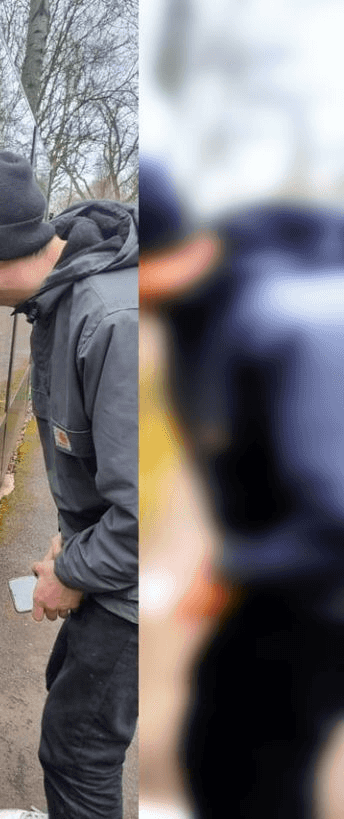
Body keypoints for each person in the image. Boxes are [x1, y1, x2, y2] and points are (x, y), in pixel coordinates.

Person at [0, 150, 139, 819]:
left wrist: (70, 570)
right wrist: (75, 535)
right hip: (119, 562)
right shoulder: (61, 299)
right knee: (69, 708)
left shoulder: (112, 322)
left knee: (79, 749)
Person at [138, 156, 344, 819]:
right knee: (217, 746)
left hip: (320, 598)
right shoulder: (199, 310)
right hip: (279, 579)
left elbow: (334, 522)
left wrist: (227, 568)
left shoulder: (293, 324)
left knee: (254, 771)